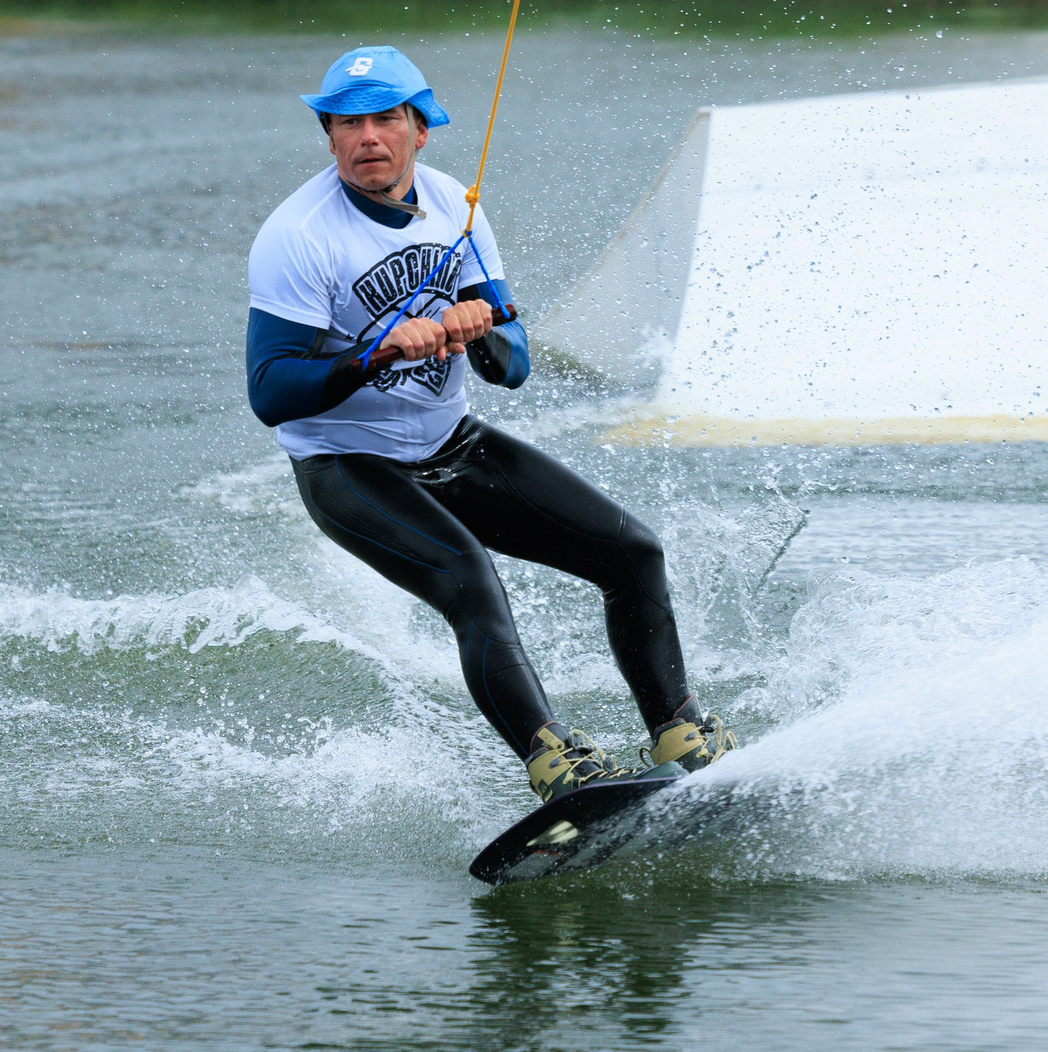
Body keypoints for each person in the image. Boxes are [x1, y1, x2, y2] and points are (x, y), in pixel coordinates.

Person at [244, 45, 734, 803]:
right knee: (471, 582)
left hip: (451, 444)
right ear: (330, 138)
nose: (367, 137)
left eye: (385, 119)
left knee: (632, 554)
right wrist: (373, 357)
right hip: (346, 463)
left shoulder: (456, 207)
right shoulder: (298, 236)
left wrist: (482, 331)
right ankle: (554, 766)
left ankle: (680, 733)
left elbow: (514, 368)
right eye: (348, 124)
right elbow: (271, 393)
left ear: (420, 130)